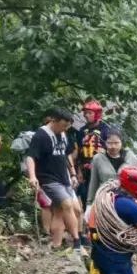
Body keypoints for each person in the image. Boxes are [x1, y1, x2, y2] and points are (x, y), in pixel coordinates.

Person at [26, 107, 82, 254]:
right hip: (48, 178)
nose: (65, 128)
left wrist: (73, 173)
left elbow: (67, 154)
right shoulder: (41, 135)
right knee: (67, 205)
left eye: (67, 126)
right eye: (63, 125)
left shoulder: (63, 134)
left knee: (62, 211)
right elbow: (31, 156)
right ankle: (77, 241)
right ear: (54, 121)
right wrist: (32, 176)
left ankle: (56, 244)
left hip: (64, 177)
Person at [73, 100, 112, 208]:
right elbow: (79, 153)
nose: (86, 115)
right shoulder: (81, 131)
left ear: (97, 114)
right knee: (86, 198)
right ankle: (89, 222)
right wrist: (79, 171)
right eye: (85, 113)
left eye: (89, 113)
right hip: (85, 170)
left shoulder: (106, 130)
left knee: (103, 198)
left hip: (101, 169)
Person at [85, 129, 137, 207]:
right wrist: (89, 204)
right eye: (109, 143)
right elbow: (94, 182)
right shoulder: (98, 158)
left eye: (116, 143)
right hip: (105, 202)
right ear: (105, 143)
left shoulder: (131, 157)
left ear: (122, 143)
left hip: (127, 201)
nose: (113, 146)